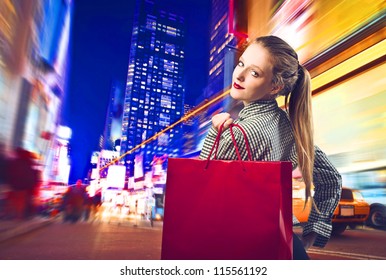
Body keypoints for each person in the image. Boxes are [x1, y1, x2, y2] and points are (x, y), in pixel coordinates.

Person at [199, 35, 342, 260]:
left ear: (275, 86)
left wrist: (214, 133)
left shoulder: (237, 133)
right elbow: (331, 178)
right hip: (285, 242)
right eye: (241, 64)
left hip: (242, 248)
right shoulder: (293, 128)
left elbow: (201, 187)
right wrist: (315, 229)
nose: (240, 74)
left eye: (255, 73)